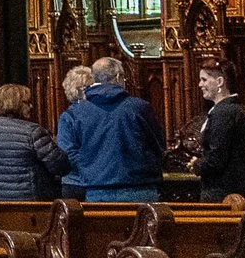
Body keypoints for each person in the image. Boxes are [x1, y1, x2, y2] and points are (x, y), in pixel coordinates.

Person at [57, 56, 165, 202]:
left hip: (97, 190)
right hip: (140, 188)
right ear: (119, 77)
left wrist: (90, 169)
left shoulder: (76, 114)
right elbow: (158, 145)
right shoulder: (139, 108)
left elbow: (68, 153)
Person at [0, 84, 68, 200]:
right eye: (27, 102)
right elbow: (61, 166)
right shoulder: (32, 132)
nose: (31, 106)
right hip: (30, 206)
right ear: (14, 103)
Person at [194, 61, 245, 203]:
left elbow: (216, 159)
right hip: (234, 189)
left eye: (204, 80)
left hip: (224, 194)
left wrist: (197, 165)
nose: (200, 85)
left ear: (220, 82)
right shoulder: (236, 109)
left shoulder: (224, 113)